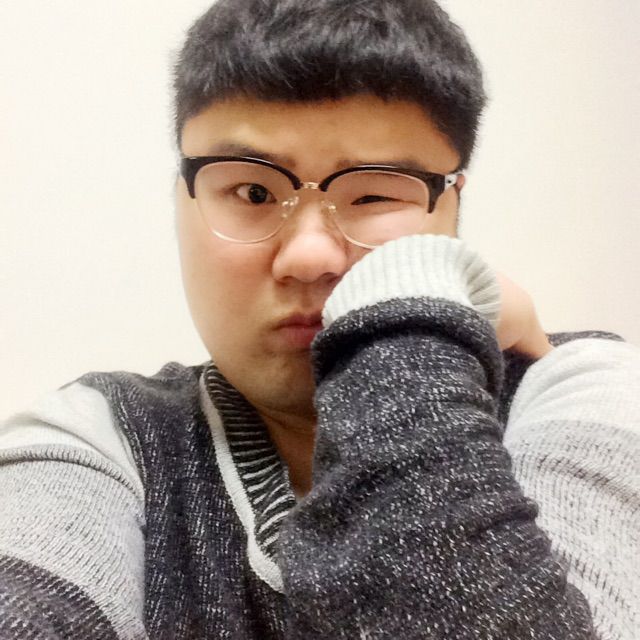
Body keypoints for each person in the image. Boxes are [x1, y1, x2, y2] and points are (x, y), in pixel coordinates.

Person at [1, 0, 638, 638]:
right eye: (252, 192)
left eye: (374, 194)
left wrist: (409, 303)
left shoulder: (581, 391)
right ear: (182, 201)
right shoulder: (97, 437)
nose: (308, 257)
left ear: (450, 211)